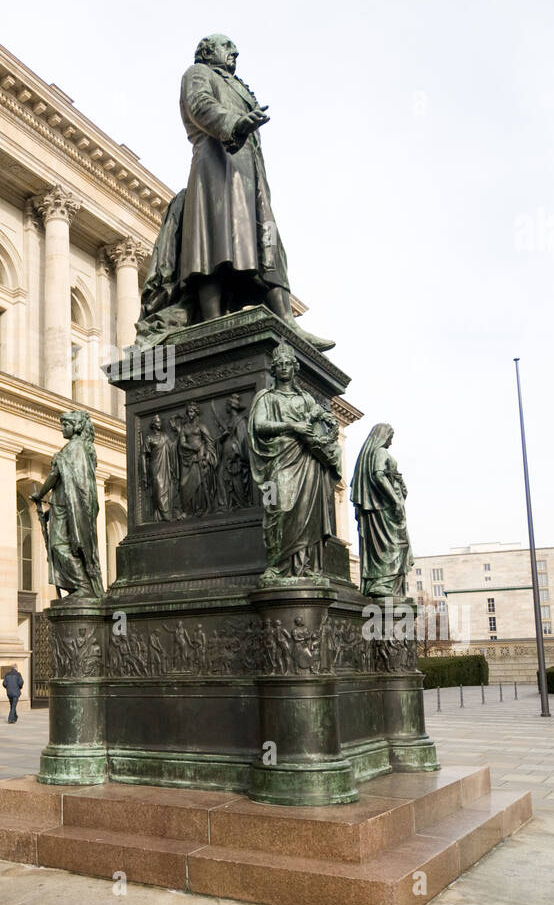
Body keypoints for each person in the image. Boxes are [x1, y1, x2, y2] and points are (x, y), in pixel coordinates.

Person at [135, 35, 333, 351]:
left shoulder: (236, 84)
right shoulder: (198, 73)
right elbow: (201, 105)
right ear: (207, 51)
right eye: (226, 46)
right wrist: (237, 123)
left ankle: (287, 321)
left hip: (249, 173)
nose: (234, 51)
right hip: (216, 165)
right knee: (213, 240)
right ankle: (213, 320)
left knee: (266, 241)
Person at [248, 341, 342, 580]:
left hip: (307, 460)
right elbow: (260, 425)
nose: (283, 367)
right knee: (278, 508)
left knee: (307, 514)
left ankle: (305, 567)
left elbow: (322, 424)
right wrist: (292, 426)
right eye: (278, 364)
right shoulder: (267, 397)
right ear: (274, 369)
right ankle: (277, 564)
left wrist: (326, 427)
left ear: (294, 368)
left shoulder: (306, 399)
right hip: (280, 459)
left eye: (287, 364)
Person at [30, 410, 104, 597]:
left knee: (59, 545)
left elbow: (55, 475)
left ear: (77, 427)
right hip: (65, 504)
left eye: (66, 425)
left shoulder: (72, 449)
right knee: (68, 545)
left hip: (66, 504)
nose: (62, 428)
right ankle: (77, 587)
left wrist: (40, 494)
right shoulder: (83, 448)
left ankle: (82, 586)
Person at [350, 423, 413, 599]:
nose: (391, 442)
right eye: (390, 437)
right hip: (385, 509)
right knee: (391, 545)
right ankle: (382, 584)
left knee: (394, 545)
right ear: (384, 436)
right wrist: (395, 500)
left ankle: (387, 585)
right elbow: (378, 475)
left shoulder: (375, 453)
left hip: (385, 507)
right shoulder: (380, 452)